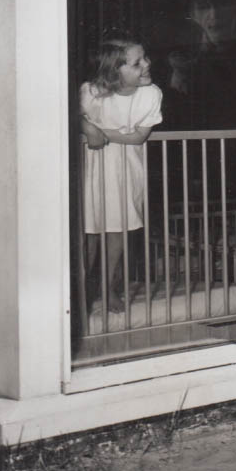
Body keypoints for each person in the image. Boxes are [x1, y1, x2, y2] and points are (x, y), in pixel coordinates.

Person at [80, 37, 163, 312]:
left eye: (145, 58)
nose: (147, 64)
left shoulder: (151, 94)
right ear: (115, 71)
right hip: (91, 169)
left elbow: (139, 137)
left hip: (125, 169)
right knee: (88, 231)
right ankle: (80, 289)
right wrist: (87, 128)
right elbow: (72, 116)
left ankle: (107, 288)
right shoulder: (90, 92)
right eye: (137, 63)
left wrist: (98, 131)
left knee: (118, 229)